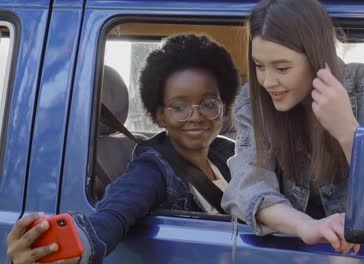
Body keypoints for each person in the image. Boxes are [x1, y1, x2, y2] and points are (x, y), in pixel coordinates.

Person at [7, 33, 240, 264]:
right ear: (159, 115)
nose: (196, 117)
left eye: (209, 104)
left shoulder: (227, 153)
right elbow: (114, 214)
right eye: (179, 107)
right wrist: (75, 246)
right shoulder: (152, 169)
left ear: (224, 106)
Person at [221, 0, 364, 255]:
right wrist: (306, 226)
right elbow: (248, 187)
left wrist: (347, 131)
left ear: (317, 56)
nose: (267, 81)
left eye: (282, 68)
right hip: (285, 253)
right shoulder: (254, 100)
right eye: (259, 66)